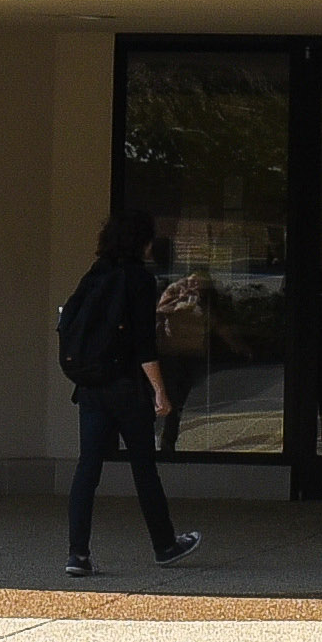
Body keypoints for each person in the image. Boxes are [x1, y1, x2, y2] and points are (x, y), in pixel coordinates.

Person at [53, 209, 205, 579]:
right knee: (143, 467)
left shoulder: (96, 274)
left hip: (91, 387)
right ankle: (165, 544)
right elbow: (142, 344)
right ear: (142, 241)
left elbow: (69, 321)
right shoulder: (138, 279)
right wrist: (160, 392)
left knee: (87, 469)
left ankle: (78, 553)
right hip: (126, 389)